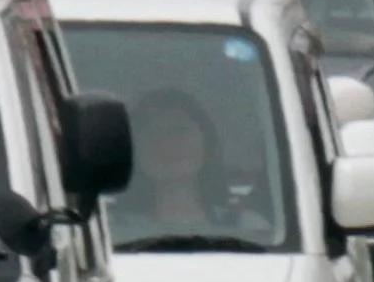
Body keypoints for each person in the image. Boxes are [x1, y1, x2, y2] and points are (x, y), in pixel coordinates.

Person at [109, 90, 265, 249]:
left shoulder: (249, 228)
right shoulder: (108, 232)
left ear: (208, 145)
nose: (168, 144)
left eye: (180, 130)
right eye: (154, 133)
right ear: (135, 152)